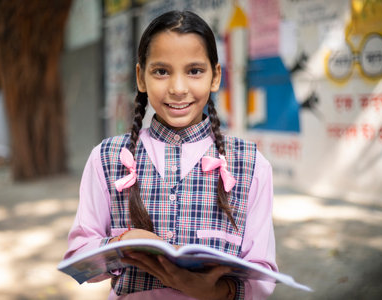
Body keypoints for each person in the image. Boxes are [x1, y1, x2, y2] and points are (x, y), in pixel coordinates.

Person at [64, 10, 277, 300]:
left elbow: (262, 279)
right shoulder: (106, 157)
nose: (178, 89)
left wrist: (214, 291)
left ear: (216, 76)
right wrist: (121, 243)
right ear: (141, 77)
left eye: (194, 71)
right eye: (161, 71)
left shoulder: (251, 165)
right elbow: (80, 264)